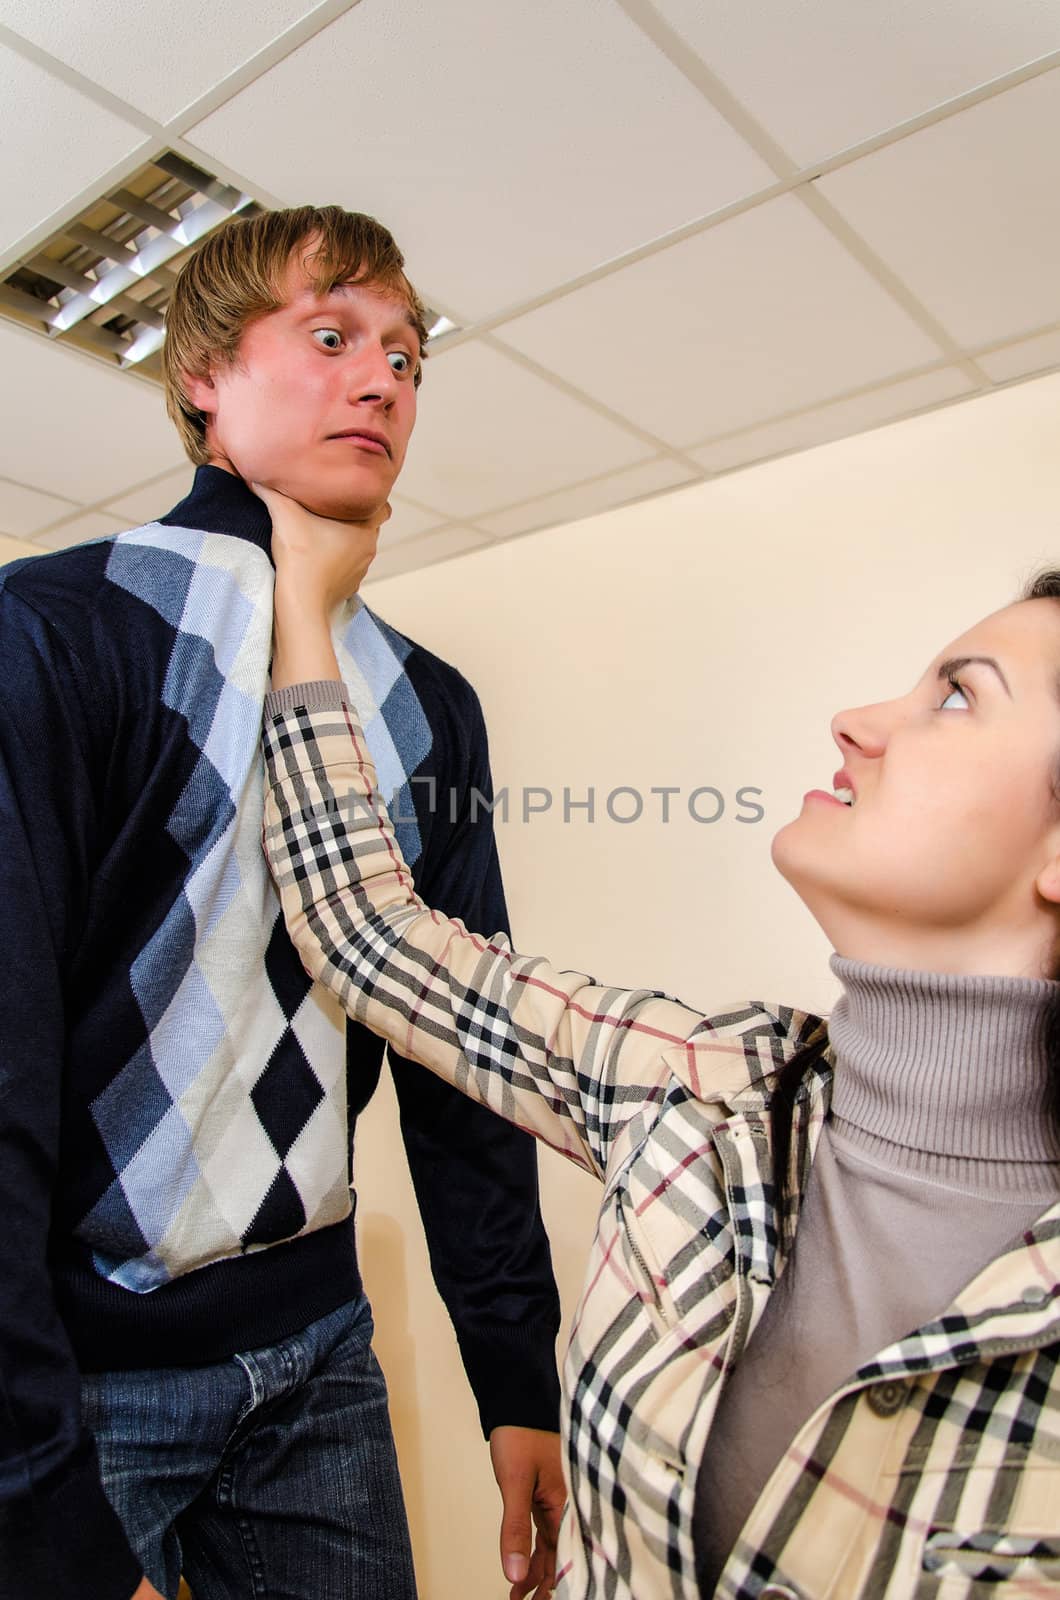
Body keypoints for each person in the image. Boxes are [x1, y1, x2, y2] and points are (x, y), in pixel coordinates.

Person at [256, 485, 1060, 1600]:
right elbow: (369, 934)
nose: (859, 719)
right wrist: (303, 598)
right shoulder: (706, 1084)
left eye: (959, 699)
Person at [0, 206, 564, 1600]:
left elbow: (459, 1058)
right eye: (331, 337)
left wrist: (514, 1368)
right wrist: (29, 1488)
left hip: (315, 1350)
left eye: (409, 356)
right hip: (81, 1375)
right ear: (201, 375)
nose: (383, 379)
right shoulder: (59, 633)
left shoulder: (430, 709)